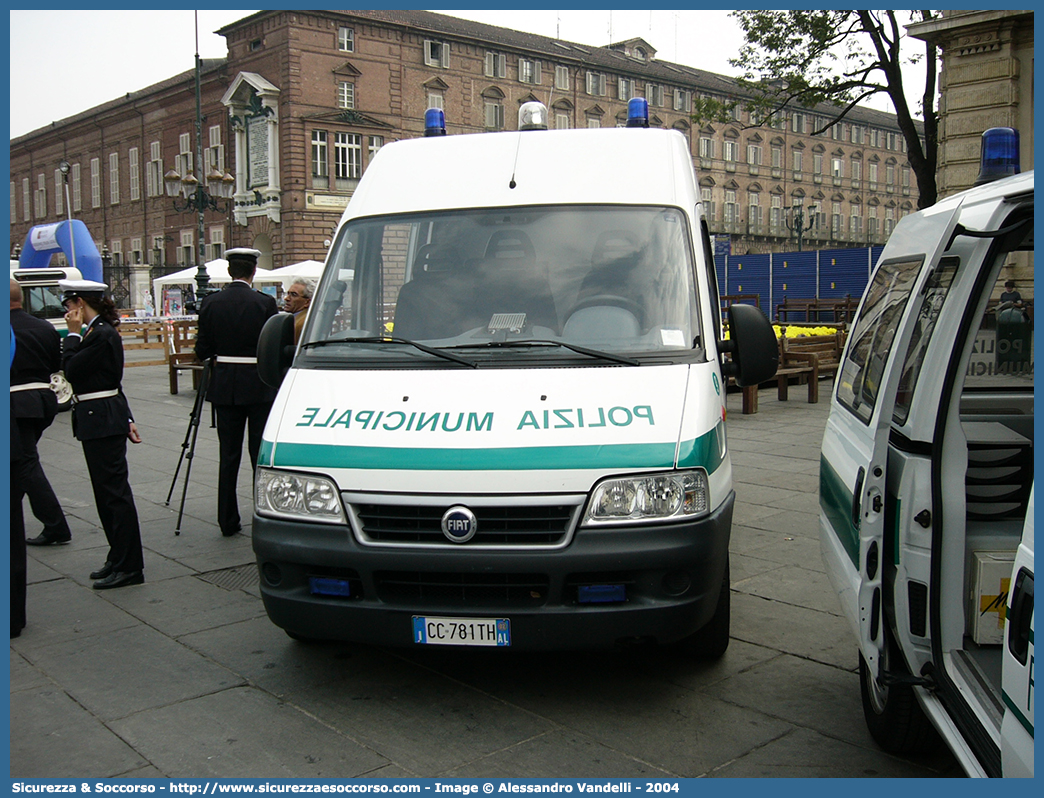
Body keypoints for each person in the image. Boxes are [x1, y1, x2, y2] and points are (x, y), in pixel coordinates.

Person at [60, 279, 146, 590]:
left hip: (101, 419)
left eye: (68, 304)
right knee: (104, 494)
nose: (67, 311)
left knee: (114, 495)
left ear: (80, 303)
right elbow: (113, 379)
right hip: (100, 418)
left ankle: (130, 565)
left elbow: (71, 370)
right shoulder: (97, 331)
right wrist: (128, 416)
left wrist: (70, 335)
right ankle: (118, 556)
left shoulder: (100, 335)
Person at [194, 248, 278, 536]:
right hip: (258, 384)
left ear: (229, 272)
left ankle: (227, 520)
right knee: (259, 454)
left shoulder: (211, 302)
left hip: (226, 386)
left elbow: (201, 350)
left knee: (228, 455)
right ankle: (263, 514)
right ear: (253, 272)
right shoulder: (265, 302)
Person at [10, 279, 73, 547]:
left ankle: (56, 525)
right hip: (43, 399)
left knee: (25, 463)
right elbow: (54, 364)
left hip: (16, 401)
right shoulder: (44, 326)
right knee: (19, 462)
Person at [282, 278, 315, 343]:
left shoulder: (303, 323)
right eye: (288, 294)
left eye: (293, 295)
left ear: (307, 302)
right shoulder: (298, 320)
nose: (286, 298)